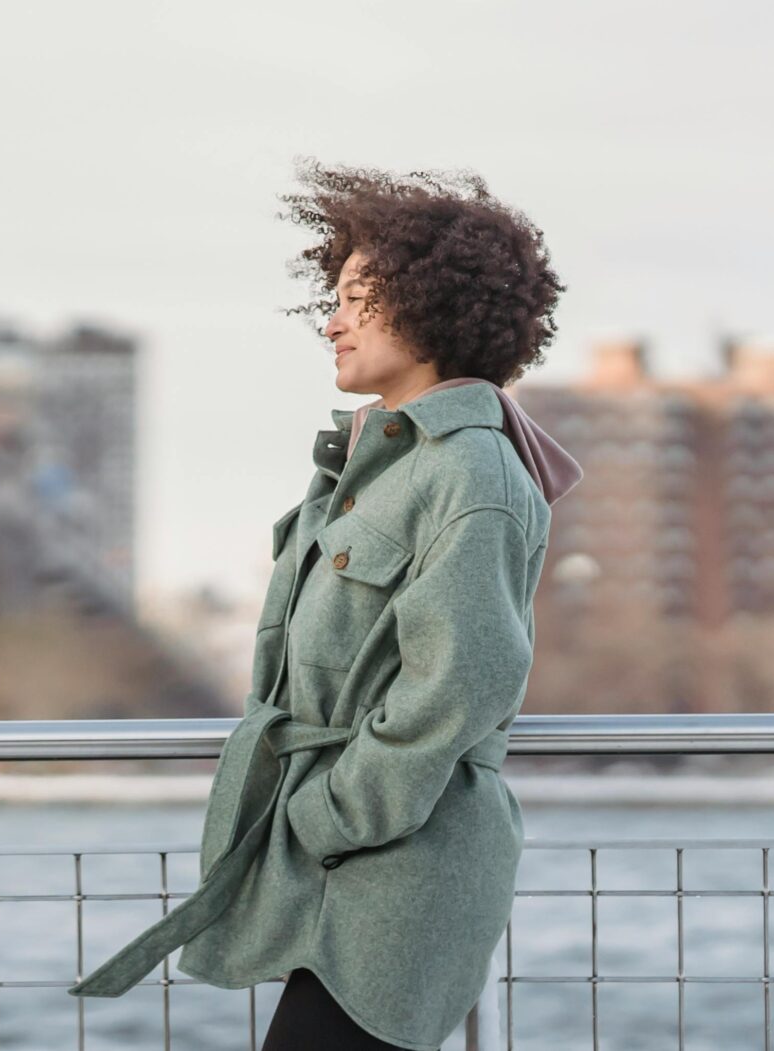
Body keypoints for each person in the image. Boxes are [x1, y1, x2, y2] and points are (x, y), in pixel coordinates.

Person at [74, 163, 580, 1050]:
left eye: (358, 297)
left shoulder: (472, 470)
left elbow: (464, 676)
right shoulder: (376, 468)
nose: (333, 320)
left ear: (433, 305)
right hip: (336, 858)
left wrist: (335, 812)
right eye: (334, 296)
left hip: (397, 865)